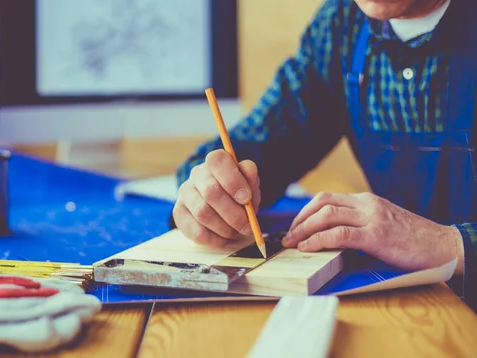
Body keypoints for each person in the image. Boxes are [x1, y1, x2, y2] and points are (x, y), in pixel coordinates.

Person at [170, 0, 477, 310]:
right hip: (406, 305)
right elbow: (256, 146)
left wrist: (448, 244)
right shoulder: (342, 23)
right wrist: (209, 191)